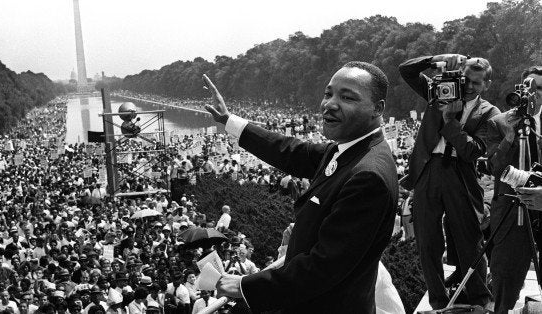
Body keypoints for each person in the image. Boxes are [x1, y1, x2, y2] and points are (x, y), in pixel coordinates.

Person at [203, 61, 398, 313]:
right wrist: (230, 121)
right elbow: (290, 151)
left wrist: (244, 286)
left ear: (377, 108)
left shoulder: (367, 175)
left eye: (347, 97)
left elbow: (324, 267)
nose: (330, 103)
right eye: (328, 93)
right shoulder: (350, 149)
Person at [398, 54, 499, 309]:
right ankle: (438, 301)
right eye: (466, 79)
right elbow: (406, 70)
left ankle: (480, 299)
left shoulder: (490, 113)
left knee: (470, 240)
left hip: (461, 175)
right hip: (428, 170)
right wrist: (435, 59)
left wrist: (450, 121)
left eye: (477, 83)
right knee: (427, 241)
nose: (469, 86)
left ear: (486, 85)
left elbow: (473, 151)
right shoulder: (438, 91)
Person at [486, 65, 542, 313]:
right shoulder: (499, 122)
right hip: (511, 215)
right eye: (530, 87)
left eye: (540, 88)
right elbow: (495, 168)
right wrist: (510, 136)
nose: (535, 94)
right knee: (504, 288)